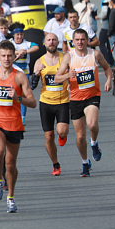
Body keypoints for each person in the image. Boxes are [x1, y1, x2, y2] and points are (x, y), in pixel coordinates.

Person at [55, 29, 113, 177]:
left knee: (92, 124)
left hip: (92, 96)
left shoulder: (95, 54)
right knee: (80, 137)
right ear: (73, 42)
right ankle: (85, 162)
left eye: (82, 39)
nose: (80, 42)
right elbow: (57, 78)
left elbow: (107, 68)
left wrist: (108, 80)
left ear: (87, 40)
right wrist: (68, 75)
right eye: (77, 40)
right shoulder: (69, 57)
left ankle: (94, 143)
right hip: (75, 99)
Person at [0, 41, 37, 213]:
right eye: (3, 56)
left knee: (10, 164)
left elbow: (33, 103)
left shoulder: (19, 76)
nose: (7, 59)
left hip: (14, 124)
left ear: (14, 56)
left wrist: (17, 98)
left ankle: (11, 198)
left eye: (10, 56)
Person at [31, 33, 69, 176]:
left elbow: (73, 75)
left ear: (58, 42)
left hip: (63, 101)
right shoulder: (39, 61)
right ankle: (55, 164)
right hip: (46, 102)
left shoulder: (65, 58)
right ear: (44, 44)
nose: (51, 42)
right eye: (49, 40)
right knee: (48, 137)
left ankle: (62, 135)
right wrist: (36, 74)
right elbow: (32, 85)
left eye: (54, 40)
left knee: (62, 131)